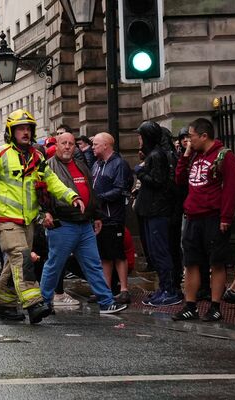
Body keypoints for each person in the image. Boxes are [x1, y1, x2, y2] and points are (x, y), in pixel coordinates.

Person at [0, 109, 83, 324]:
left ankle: (4, 305)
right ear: (11, 132)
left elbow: (52, 181)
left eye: (28, 128)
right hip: (6, 220)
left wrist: (72, 196)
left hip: (28, 221)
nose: (25, 132)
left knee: (12, 266)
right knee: (22, 259)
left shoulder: (37, 157)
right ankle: (34, 304)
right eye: (20, 128)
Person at [40, 133, 127, 314]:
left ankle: (106, 301)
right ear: (56, 145)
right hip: (62, 222)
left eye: (71, 144)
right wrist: (45, 213)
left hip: (84, 223)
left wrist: (96, 215)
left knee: (93, 264)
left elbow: (91, 191)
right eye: (63, 143)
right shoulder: (49, 166)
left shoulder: (80, 165)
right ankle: (44, 302)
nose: (67, 147)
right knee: (55, 264)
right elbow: (41, 194)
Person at [173, 118, 235, 322]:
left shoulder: (224, 156)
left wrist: (225, 217)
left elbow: (230, 188)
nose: (188, 141)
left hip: (214, 217)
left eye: (191, 136)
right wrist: (185, 156)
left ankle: (215, 305)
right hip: (193, 216)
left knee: (216, 263)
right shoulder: (194, 156)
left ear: (204, 135)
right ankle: (190, 305)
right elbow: (179, 179)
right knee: (191, 263)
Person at [135, 121, 182, 307]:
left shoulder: (157, 155)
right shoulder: (152, 155)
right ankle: (163, 288)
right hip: (150, 210)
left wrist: (140, 172)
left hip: (157, 211)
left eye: (140, 136)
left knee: (161, 252)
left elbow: (158, 182)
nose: (138, 139)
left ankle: (169, 290)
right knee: (155, 253)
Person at [91, 132, 133, 304]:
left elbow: (121, 188)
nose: (92, 147)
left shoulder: (119, 164)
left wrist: (99, 197)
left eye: (95, 144)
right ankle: (105, 289)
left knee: (117, 253)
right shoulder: (97, 164)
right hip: (100, 216)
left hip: (113, 216)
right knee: (104, 254)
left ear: (106, 145)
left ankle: (124, 289)